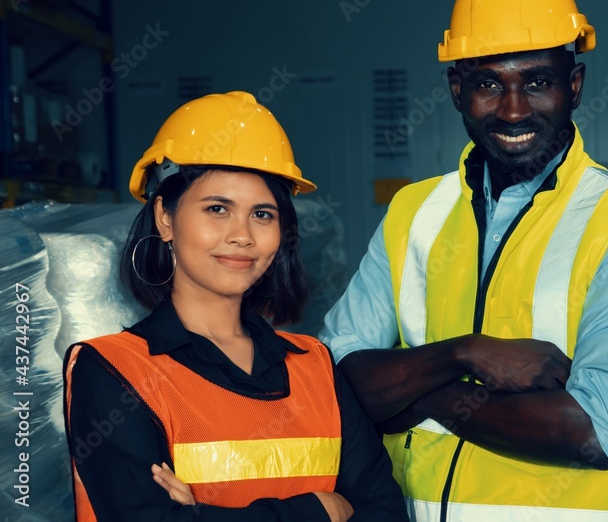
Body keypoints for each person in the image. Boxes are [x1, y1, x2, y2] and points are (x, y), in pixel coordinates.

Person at [318, 0, 608, 520]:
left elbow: (595, 432)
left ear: (574, 86)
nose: (514, 109)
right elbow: (337, 378)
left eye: (538, 82)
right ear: (456, 89)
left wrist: (425, 396)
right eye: (489, 83)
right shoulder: (414, 212)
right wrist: (465, 353)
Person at [63, 91, 407, 521]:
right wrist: (318, 510)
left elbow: (386, 511)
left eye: (262, 214)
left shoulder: (314, 365)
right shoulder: (116, 370)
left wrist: (203, 513)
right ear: (165, 218)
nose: (242, 235)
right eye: (218, 208)